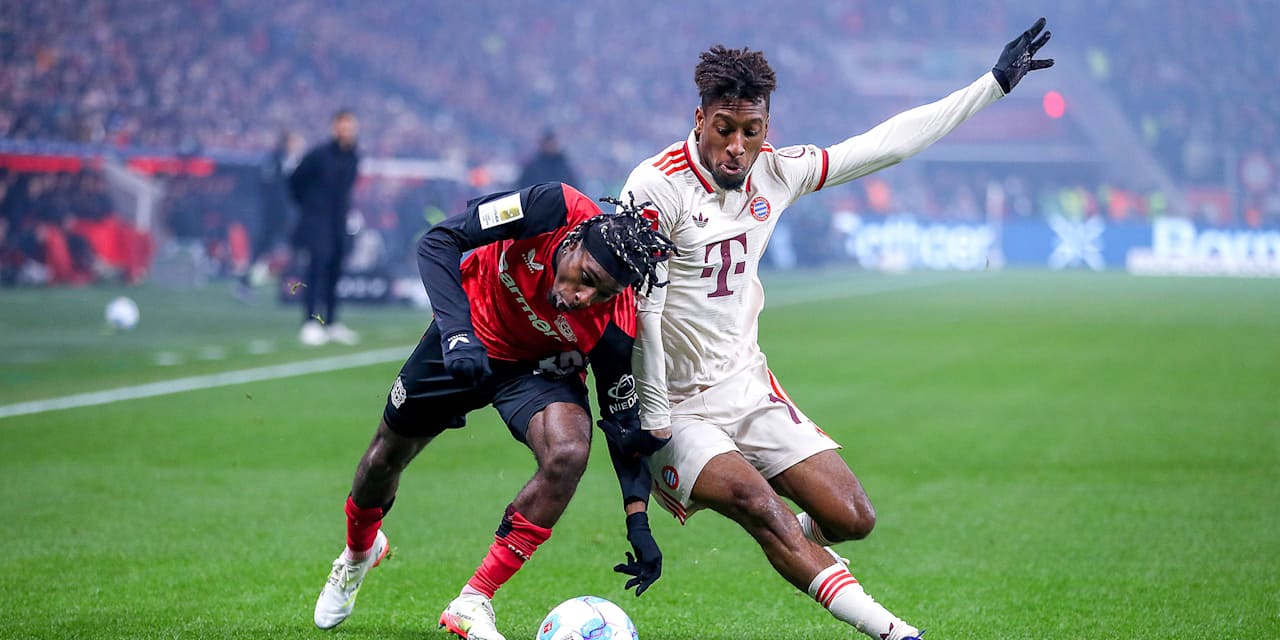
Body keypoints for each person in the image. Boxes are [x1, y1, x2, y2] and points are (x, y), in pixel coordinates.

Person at [617, 19, 1054, 640]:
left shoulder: (777, 172)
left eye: (752, 130)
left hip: (746, 388)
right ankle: (893, 631)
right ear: (699, 119)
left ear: (767, 127)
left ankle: (806, 550)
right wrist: (650, 414)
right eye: (725, 130)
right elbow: (640, 312)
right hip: (673, 406)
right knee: (759, 506)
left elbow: (883, 145)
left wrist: (993, 85)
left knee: (852, 518)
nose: (737, 147)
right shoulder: (655, 187)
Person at [312, 182, 677, 640]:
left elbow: (623, 429)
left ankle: (472, 599)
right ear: (572, 241)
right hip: (469, 332)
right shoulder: (551, 206)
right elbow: (439, 241)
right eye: (584, 276)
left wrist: (637, 521)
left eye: (600, 292)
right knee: (385, 457)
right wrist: (457, 333)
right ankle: (358, 553)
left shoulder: (616, 327)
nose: (584, 296)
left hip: (539, 369)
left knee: (568, 452)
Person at [289, 110, 360, 346]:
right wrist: (310, 206)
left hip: (339, 222)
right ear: (334, 128)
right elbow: (295, 181)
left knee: (335, 271)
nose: (347, 132)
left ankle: (330, 322)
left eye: (351, 127)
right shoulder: (318, 155)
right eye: (343, 127)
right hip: (317, 220)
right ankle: (309, 323)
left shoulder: (353, 157)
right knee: (316, 269)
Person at [236, 130, 303, 302]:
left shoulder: (286, 160)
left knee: (291, 248)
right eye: (294, 142)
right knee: (263, 248)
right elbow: (270, 187)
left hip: (283, 214)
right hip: (274, 215)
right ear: (287, 143)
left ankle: (291, 287)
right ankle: (245, 284)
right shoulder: (275, 160)